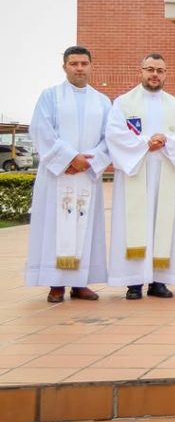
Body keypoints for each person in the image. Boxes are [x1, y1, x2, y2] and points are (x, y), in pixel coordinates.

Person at [106, 53, 175, 299]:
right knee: (134, 225)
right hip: (135, 170)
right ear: (141, 71)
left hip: (165, 170)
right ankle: (133, 282)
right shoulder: (123, 103)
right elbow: (114, 134)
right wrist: (147, 142)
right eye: (150, 69)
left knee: (161, 224)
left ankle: (159, 281)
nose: (154, 74)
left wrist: (166, 140)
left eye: (160, 70)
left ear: (166, 74)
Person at [25, 46, 111, 303]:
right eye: (74, 63)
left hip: (87, 175)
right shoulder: (50, 96)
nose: (79, 68)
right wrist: (70, 159)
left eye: (84, 63)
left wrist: (87, 161)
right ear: (65, 67)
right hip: (57, 175)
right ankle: (56, 284)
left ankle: (80, 283)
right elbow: (41, 130)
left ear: (91, 66)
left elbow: (109, 137)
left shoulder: (102, 101)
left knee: (85, 228)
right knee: (56, 227)